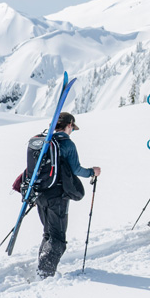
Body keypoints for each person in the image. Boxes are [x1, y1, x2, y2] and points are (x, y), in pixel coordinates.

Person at [35, 112, 101, 278]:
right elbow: (76, 169)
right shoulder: (66, 143)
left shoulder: (45, 141)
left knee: (48, 233)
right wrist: (92, 172)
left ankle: (42, 266)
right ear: (69, 125)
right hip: (57, 196)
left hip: (40, 194)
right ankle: (44, 273)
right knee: (58, 239)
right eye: (72, 127)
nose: (72, 131)